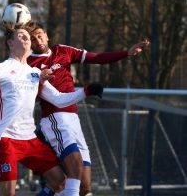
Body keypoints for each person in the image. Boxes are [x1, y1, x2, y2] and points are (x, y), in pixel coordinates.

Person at [0, 26, 103, 196]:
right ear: (10, 43)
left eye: (28, 36)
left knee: (59, 181)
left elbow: (58, 99)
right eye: (21, 36)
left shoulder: (35, 73)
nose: (27, 38)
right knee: (8, 193)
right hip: (6, 139)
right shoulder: (3, 67)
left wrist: (86, 91)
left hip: (30, 139)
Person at [26, 22, 150, 196]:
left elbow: (96, 57)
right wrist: (86, 90)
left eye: (39, 35)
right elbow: (52, 99)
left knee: (85, 187)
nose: (37, 40)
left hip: (73, 119)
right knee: (73, 171)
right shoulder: (30, 65)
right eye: (32, 38)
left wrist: (126, 53)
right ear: (28, 43)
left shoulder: (62, 50)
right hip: (55, 119)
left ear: (47, 35)